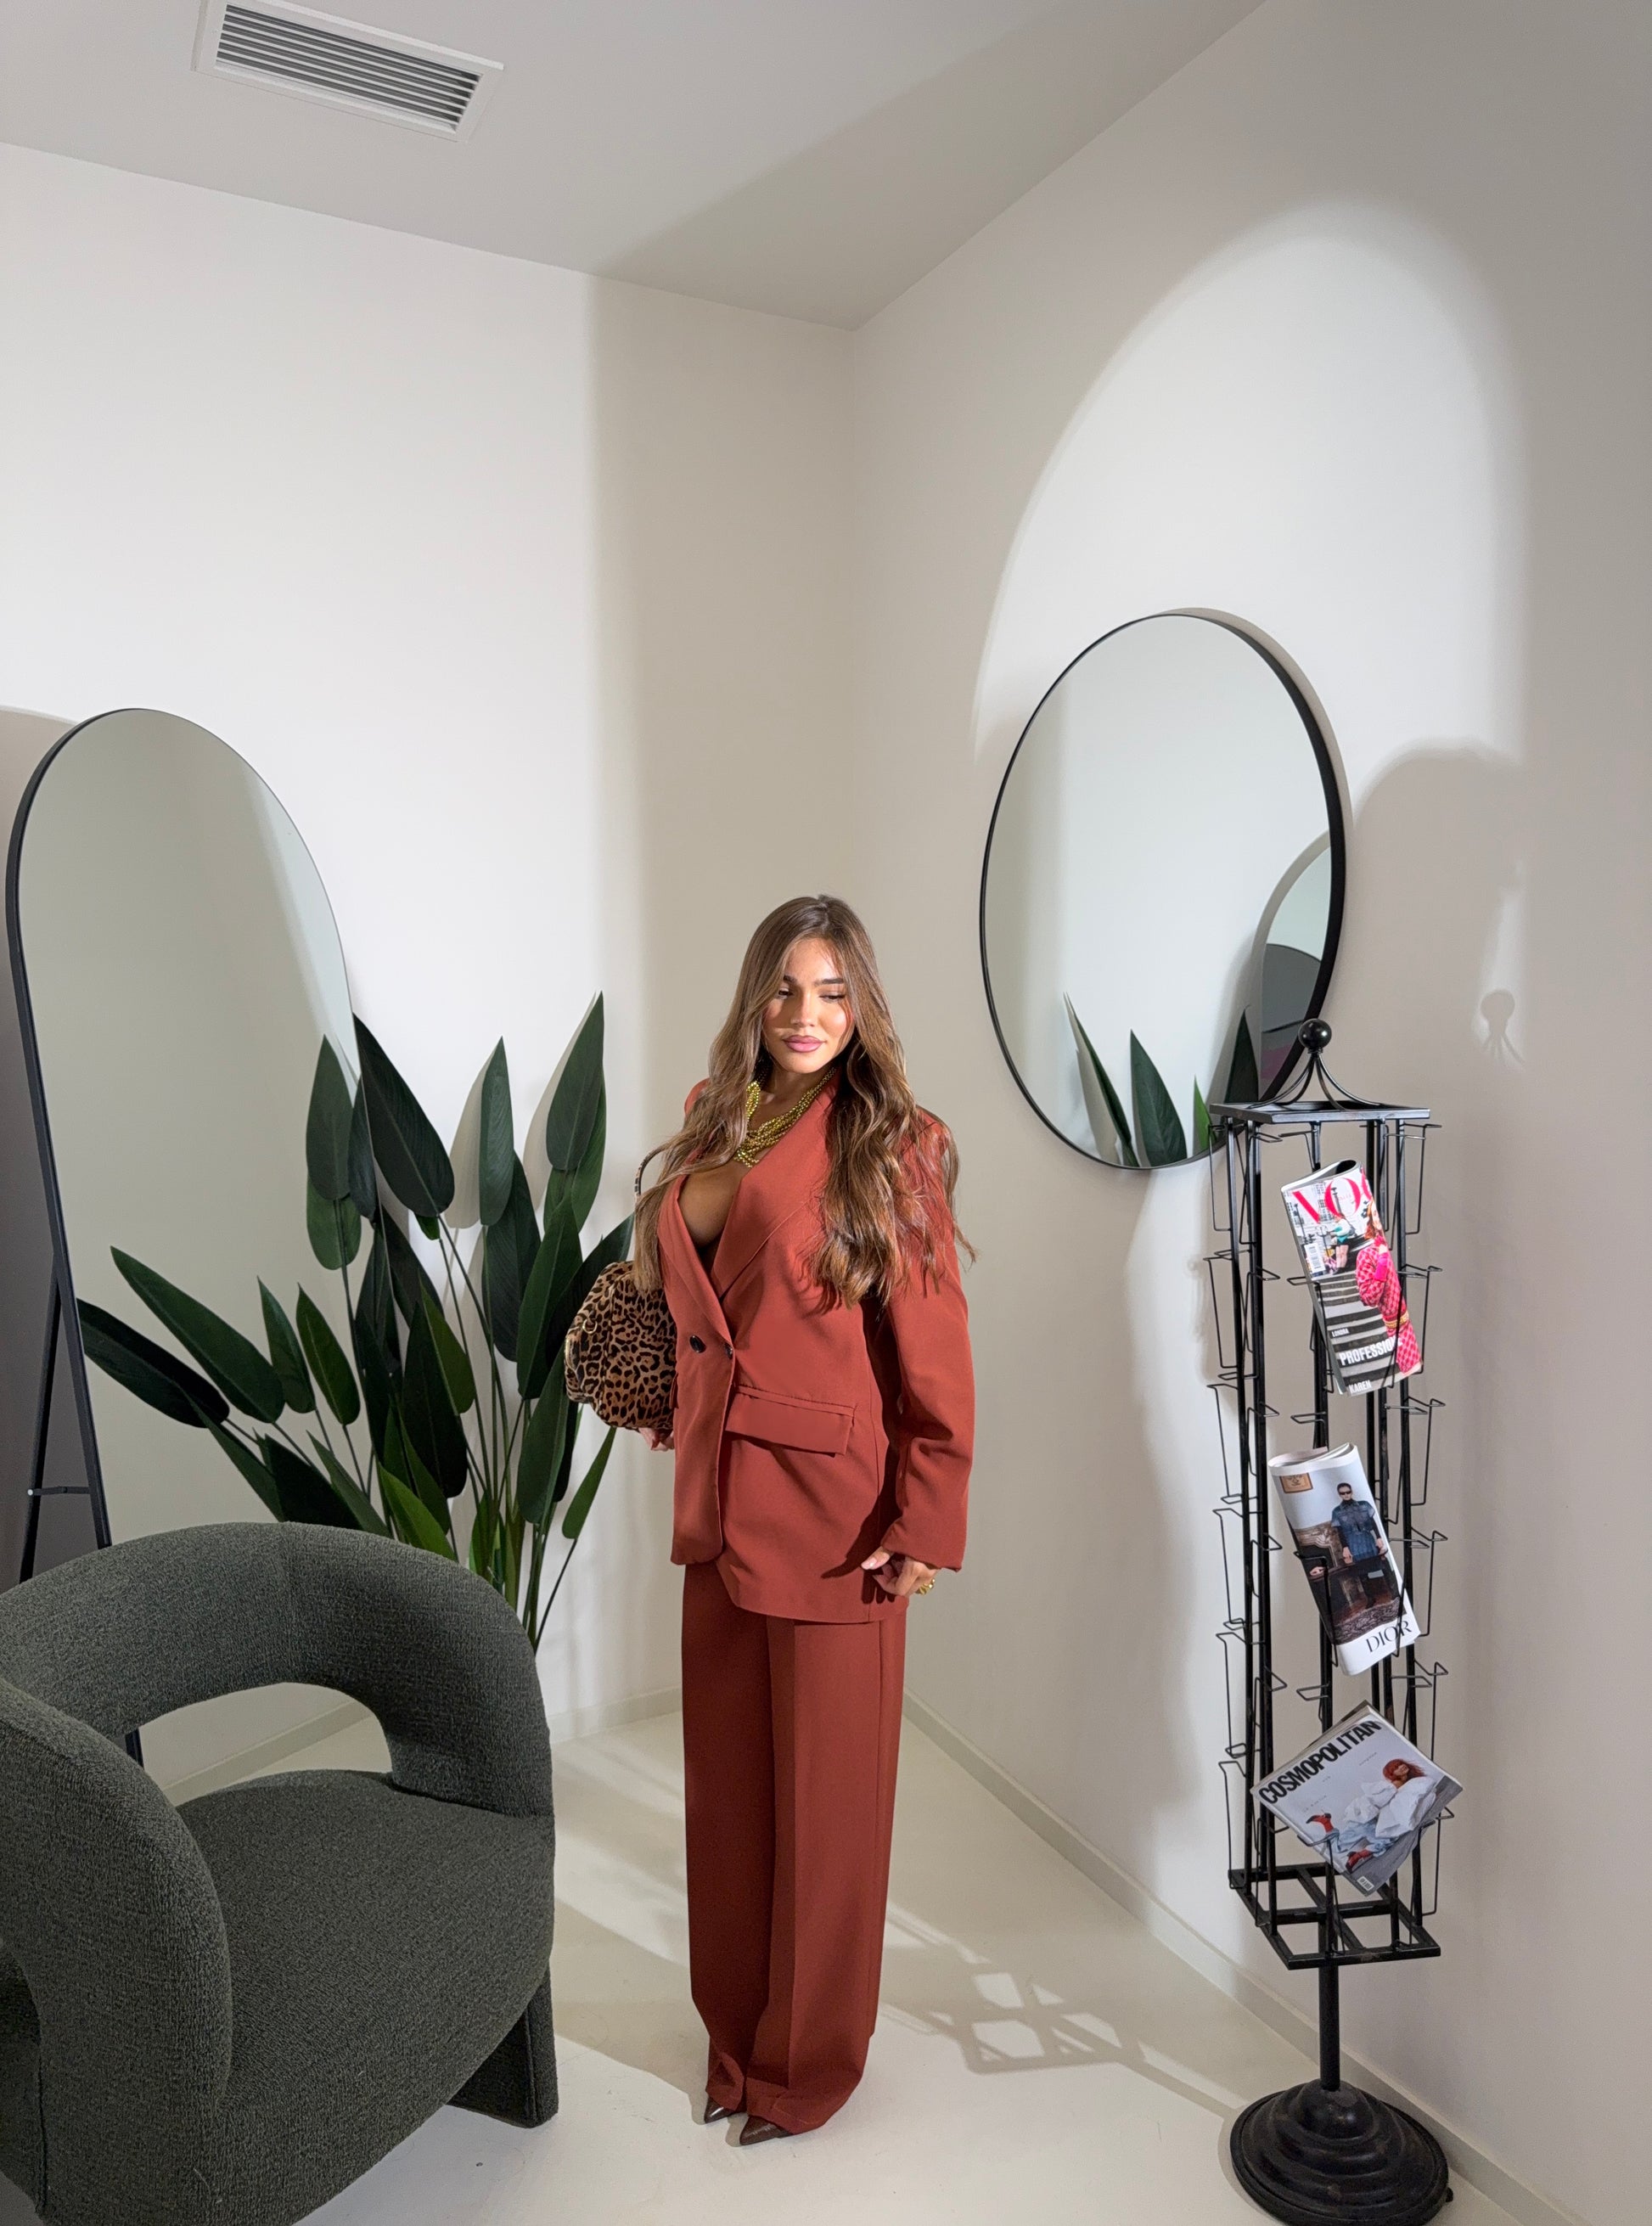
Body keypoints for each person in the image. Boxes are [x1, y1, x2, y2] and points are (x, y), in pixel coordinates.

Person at [627, 894, 975, 2144]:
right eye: (783, 986)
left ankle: (808, 2067)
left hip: (840, 1520)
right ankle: (735, 2041)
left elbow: (935, 1347)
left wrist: (926, 1516)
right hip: (717, 1505)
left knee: (828, 1818)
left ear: (862, 1004)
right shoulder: (714, 1114)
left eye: (831, 991)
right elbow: (697, 1303)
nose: (805, 1013)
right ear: (753, 996)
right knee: (729, 1804)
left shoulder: (897, 1143)